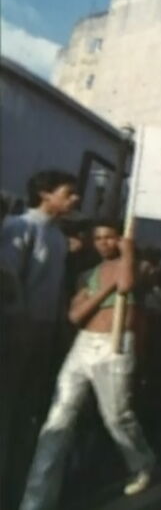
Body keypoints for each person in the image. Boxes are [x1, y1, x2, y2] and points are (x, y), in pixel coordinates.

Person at [19, 220, 155, 509]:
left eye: (111, 237)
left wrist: (128, 252)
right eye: (99, 238)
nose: (104, 243)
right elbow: (76, 315)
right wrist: (105, 291)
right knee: (59, 418)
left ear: (122, 238)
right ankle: (37, 499)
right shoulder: (88, 274)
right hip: (84, 344)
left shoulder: (138, 265)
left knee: (117, 416)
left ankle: (142, 461)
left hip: (116, 344)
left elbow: (128, 283)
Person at [0, 170, 79, 510]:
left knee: (27, 408)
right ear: (46, 194)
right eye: (69, 192)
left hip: (45, 332)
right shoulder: (19, 226)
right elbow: (7, 276)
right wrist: (17, 319)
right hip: (16, 328)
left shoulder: (59, 239)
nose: (76, 199)